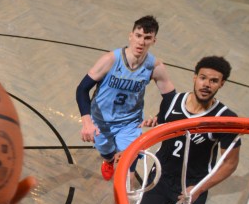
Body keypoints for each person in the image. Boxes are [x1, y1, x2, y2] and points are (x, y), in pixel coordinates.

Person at [135, 56, 240, 204]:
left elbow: (230, 163)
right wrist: (151, 125)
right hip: (162, 177)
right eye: (203, 78)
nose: (206, 84)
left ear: (221, 84)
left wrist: (200, 188)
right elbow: (162, 124)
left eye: (213, 80)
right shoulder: (173, 102)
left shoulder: (225, 119)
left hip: (194, 184)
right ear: (194, 77)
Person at [75, 15, 175, 181]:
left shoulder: (154, 66)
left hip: (129, 122)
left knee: (129, 159)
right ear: (131, 35)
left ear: (154, 41)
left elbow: (170, 95)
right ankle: (108, 161)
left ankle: (125, 186)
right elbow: (82, 89)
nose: (141, 42)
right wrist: (87, 122)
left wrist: (161, 116)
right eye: (138, 36)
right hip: (101, 119)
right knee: (106, 151)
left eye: (147, 38)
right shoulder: (111, 60)